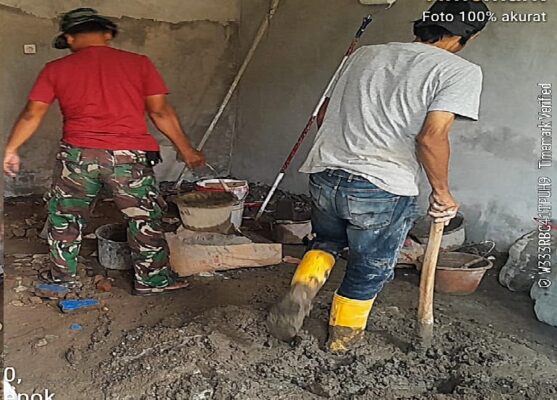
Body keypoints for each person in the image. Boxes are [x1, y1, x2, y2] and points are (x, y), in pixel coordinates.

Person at [267, 0, 491, 352]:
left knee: (326, 241)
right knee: (369, 266)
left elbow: (324, 115)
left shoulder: (366, 55)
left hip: (326, 173)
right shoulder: (460, 71)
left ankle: (304, 287)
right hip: (381, 185)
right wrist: (442, 192)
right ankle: (342, 341)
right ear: (469, 36)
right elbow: (431, 137)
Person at [3, 8, 206, 295]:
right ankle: (152, 280)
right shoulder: (139, 64)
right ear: (108, 34)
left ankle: (62, 279)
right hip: (128, 158)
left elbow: (31, 114)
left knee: (66, 218)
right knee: (143, 218)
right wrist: (186, 150)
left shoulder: (55, 69)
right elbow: (160, 111)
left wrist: (11, 149)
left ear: (69, 38)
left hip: (78, 157)